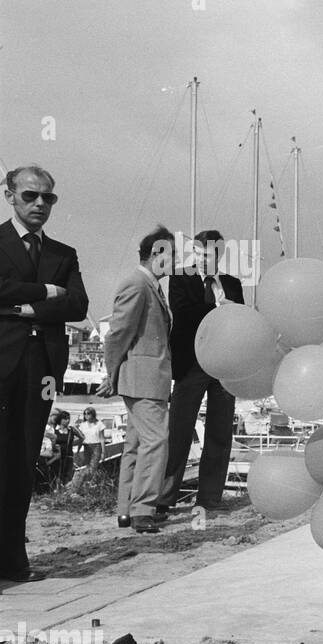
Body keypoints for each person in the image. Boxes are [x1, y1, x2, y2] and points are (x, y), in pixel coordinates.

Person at [0, 165, 89, 583]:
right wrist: (45, 291)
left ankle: (14, 562)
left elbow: (78, 306)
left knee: (22, 463)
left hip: (43, 368)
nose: (39, 204)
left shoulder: (63, 253)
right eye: (30, 196)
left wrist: (22, 305)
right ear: (10, 196)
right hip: (2, 363)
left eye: (47, 198)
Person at [160, 229, 245, 513]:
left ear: (218, 255)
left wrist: (232, 310)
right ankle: (165, 497)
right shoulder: (180, 279)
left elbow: (242, 322)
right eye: (196, 253)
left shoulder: (232, 284)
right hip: (191, 364)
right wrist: (221, 309)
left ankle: (210, 498)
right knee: (179, 430)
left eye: (206, 254)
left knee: (220, 432)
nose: (200, 259)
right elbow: (183, 316)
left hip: (225, 366)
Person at [100, 226, 175, 534]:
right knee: (156, 442)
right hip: (144, 378)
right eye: (171, 255)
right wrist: (111, 372)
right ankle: (143, 508)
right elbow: (117, 334)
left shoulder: (149, 286)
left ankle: (126, 510)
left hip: (145, 378)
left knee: (136, 443)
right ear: (156, 254)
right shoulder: (137, 284)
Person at [50, 410, 82, 485]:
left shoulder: (71, 430)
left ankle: (64, 493)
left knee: (67, 477)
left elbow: (82, 438)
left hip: (68, 456)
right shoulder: (54, 431)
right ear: (60, 420)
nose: (67, 420)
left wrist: (72, 444)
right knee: (56, 476)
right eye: (65, 419)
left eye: (69, 418)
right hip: (57, 457)